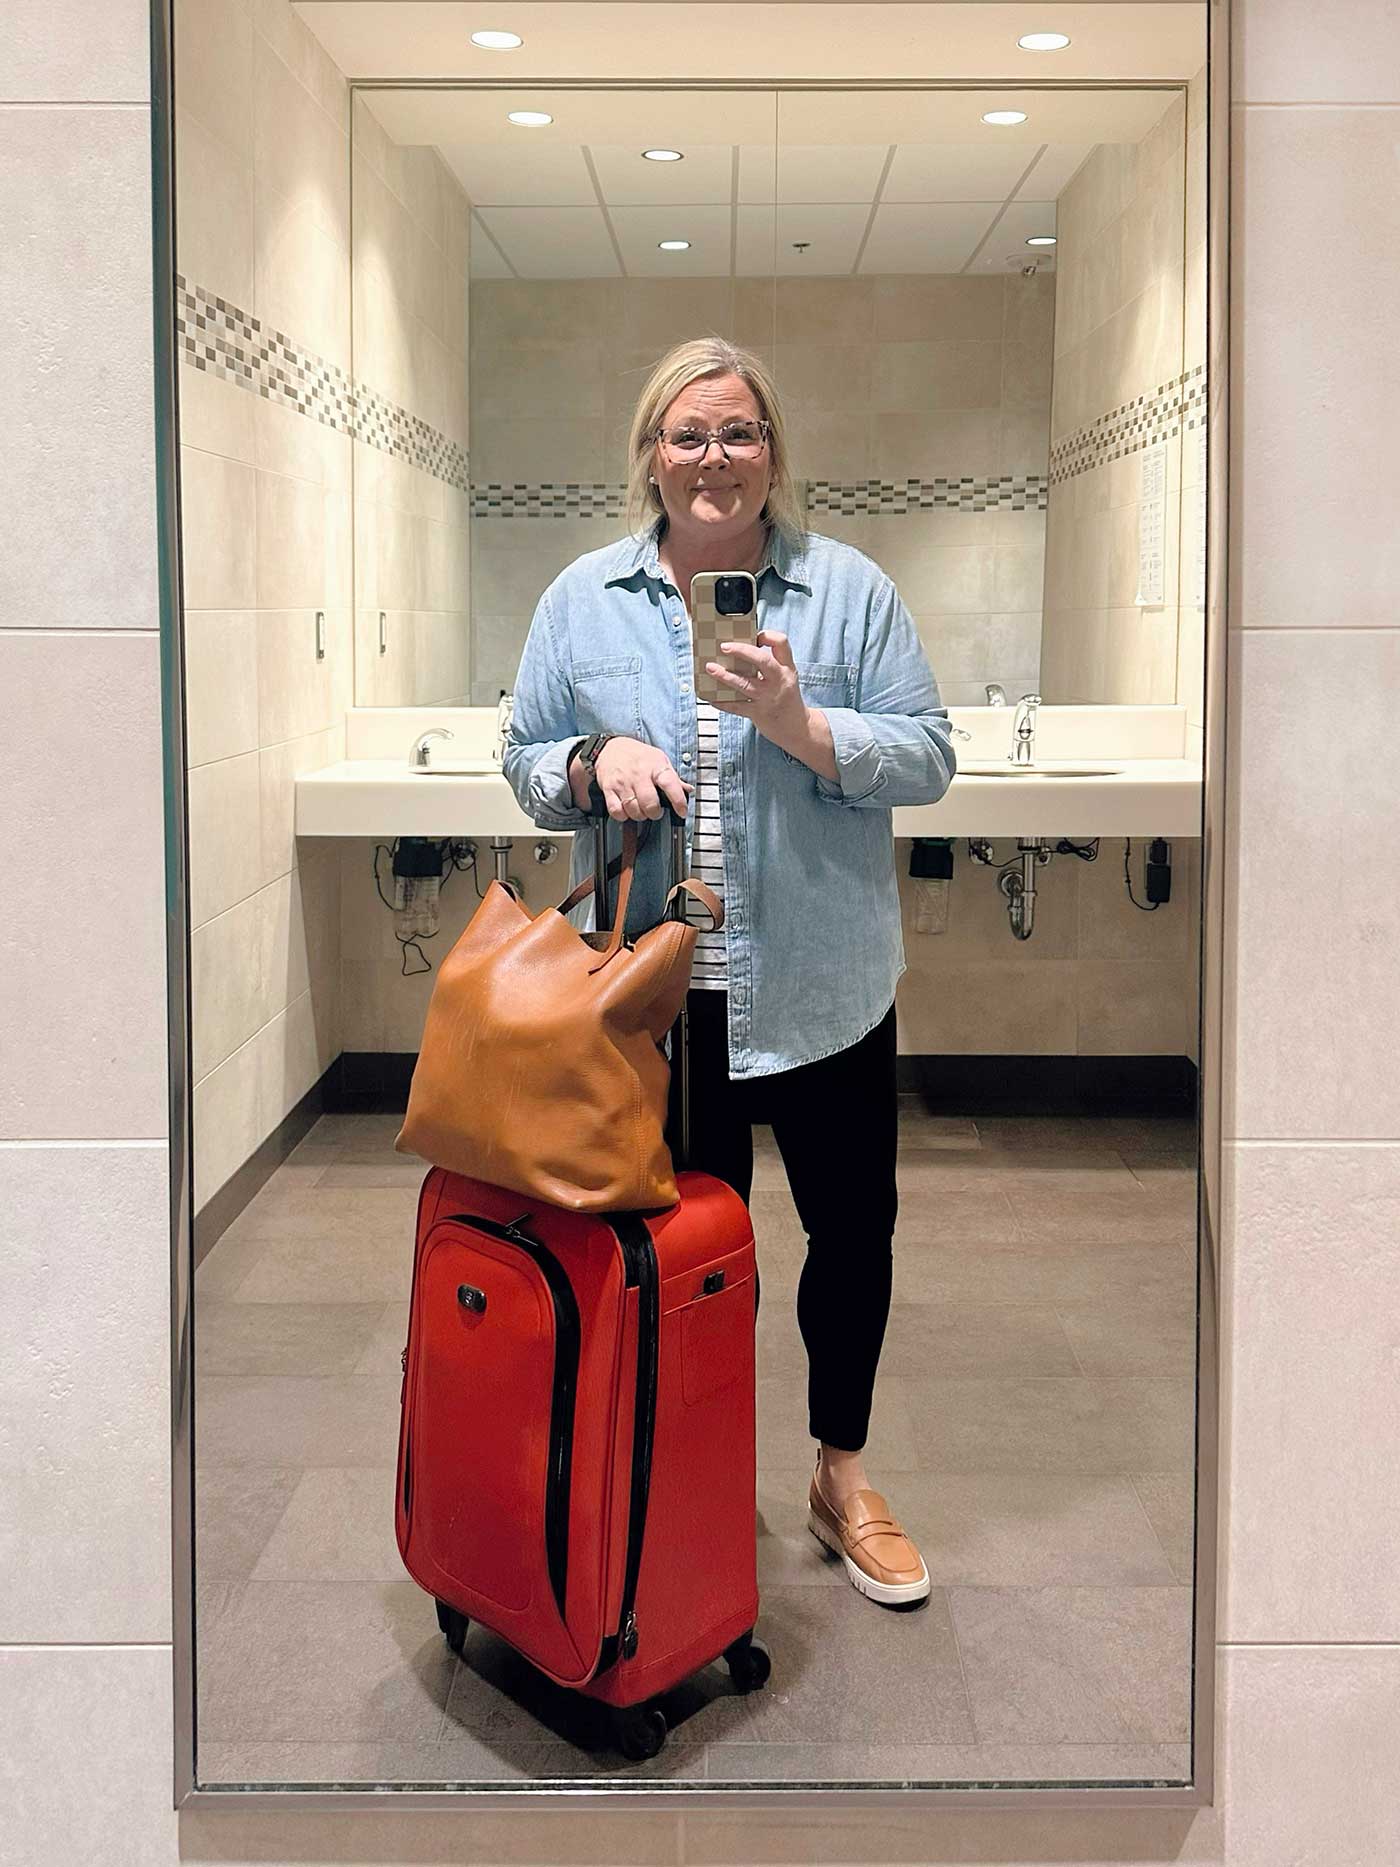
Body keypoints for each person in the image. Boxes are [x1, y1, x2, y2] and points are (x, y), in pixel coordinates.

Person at [503, 336, 956, 1607]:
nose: (714, 457)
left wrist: (797, 726)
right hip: (654, 1000)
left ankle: (840, 1474)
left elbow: (927, 757)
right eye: (687, 433)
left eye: (738, 433)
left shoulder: (847, 592)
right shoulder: (580, 599)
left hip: (821, 986)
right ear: (651, 452)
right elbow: (525, 757)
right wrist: (593, 760)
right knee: (678, 1248)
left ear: (773, 453)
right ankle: (678, 1476)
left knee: (850, 1233)